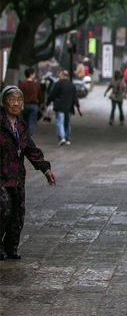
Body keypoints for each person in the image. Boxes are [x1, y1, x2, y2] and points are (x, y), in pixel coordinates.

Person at [0, 85, 56, 259]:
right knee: (3, 211)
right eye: (11, 100)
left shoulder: (21, 125)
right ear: (3, 102)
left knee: (17, 214)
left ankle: (11, 247)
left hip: (17, 177)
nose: (15, 103)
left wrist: (45, 169)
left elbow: (30, 149)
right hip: (1, 177)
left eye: (19, 100)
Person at [48, 69, 81, 145]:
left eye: (60, 75)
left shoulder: (58, 84)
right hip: (69, 107)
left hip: (59, 107)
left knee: (60, 122)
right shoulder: (72, 85)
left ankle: (62, 138)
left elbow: (52, 95)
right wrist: (78, 107)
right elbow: (75, 97)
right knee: (67, 123)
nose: (58, 76)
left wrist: (47, 103)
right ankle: (67, 138)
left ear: (63, 75)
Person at [18, 67, 42, 138]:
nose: (34, 75)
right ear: (31, 74)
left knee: (25, 121)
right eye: (34, 74)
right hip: (34, 105)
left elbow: (19, 95)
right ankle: (30, 136)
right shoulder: (36, 84)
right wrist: (40, 104)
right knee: (32, 122)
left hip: (25, 105)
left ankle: (25, 135)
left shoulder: (22, 84)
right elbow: (40, 96)